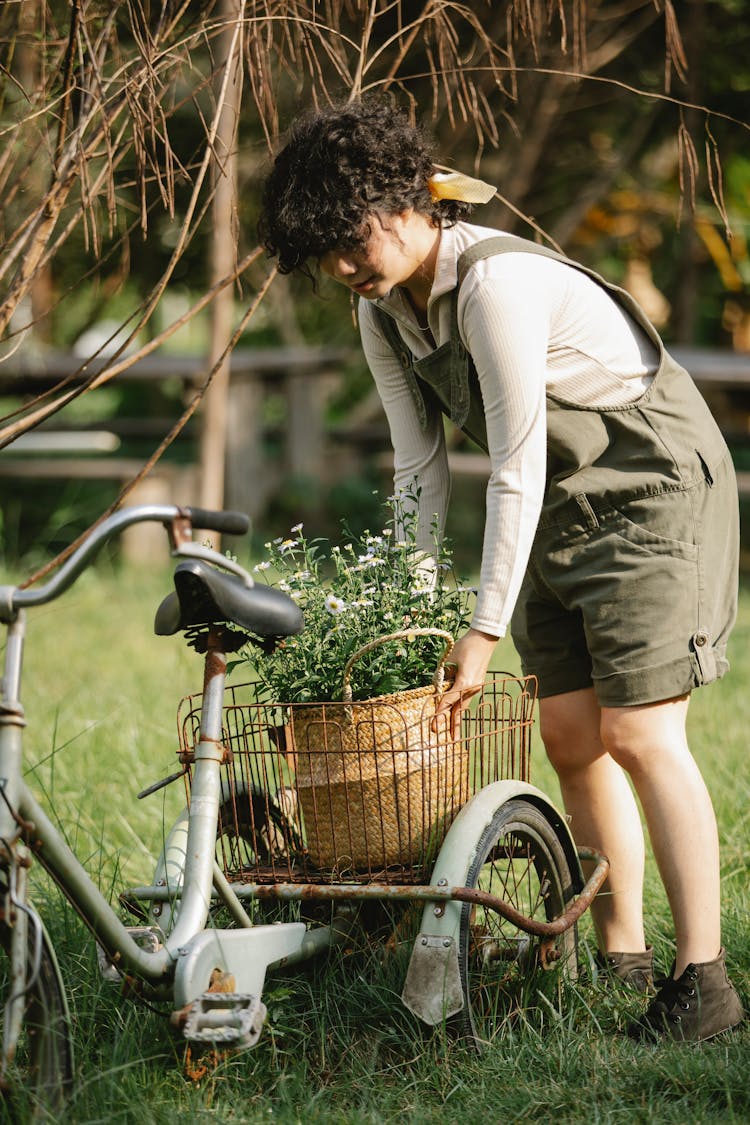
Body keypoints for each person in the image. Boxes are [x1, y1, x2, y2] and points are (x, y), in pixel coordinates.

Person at [258, 97, 744, 1042]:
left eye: (351, 240)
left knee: (640, 730)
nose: (343, 268)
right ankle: (623, 954)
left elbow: (513, 459)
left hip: (650, 487)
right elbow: (419, 470)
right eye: (325, 256)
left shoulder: (495, 285)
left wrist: (482, 628)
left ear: (404, 203)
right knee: (568, 732)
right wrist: (405, 612)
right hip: (561, 505)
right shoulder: (385, 315)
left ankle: (707, 983)